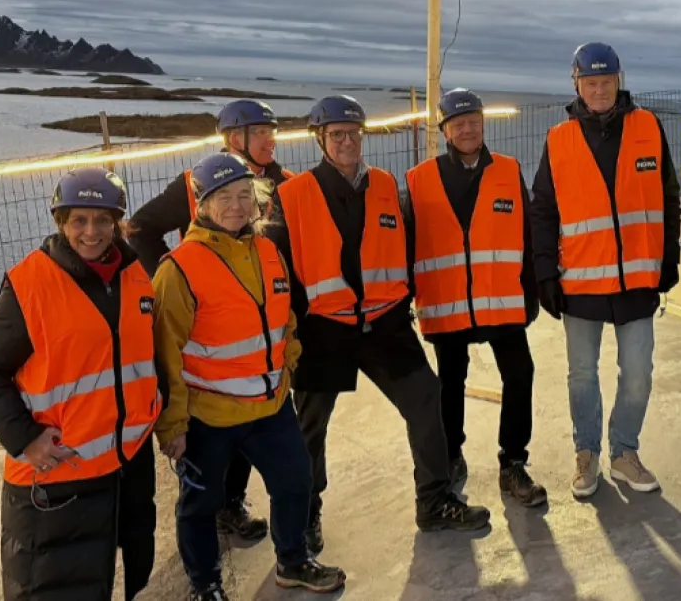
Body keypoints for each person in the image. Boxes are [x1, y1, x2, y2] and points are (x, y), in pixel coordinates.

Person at [267, 94, 490, 549]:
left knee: (426, 397)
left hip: (384, 324)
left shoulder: (387, 186)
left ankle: (433, 500)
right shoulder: (291, 195)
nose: (347, 141)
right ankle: (307, 513)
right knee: (309, 426)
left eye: (353, 133)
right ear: (320, 140)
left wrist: (406, 297)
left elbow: (405, 245)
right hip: (323, 327)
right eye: (337, 135)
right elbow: (278, 268)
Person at [153, 152, 344, 599]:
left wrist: (288, 361)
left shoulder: (267, 250)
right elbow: (166, 356)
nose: (236, 206)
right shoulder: (179, 267)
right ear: (201, 204)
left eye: (244, 195)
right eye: (223, 197)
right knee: (200, 505)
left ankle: (293, 561)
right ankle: (206, 586)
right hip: (208, 417)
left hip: (270, 405)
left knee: (296, 482)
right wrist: (173, 426)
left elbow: (286, 319)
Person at [0, 168, 161, 600]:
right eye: (79, 220)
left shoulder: (136, 276)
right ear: (61, 223)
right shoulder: (31, 284)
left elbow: (144, 360)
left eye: (103, 221)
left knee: (122, 577)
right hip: (58, 475)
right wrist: (26, 439)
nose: (91, 232)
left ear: (117, 223)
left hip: (126, 468)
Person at [126, 98, 293, 542]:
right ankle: (215, 513)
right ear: (234, 138)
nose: (271, 140)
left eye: (272, 132)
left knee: (256, 423)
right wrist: (173, 273)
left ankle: (234, 505)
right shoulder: (192, 183)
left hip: (265, 327)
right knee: (217, 430)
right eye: (261, 132)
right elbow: (139, 228)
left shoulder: (281, 183)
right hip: (211, 328)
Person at [529, 42, 681, 499]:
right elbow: (543, 211)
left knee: (637, 375)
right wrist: (544, 274)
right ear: (576, 84)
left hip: (637, 281)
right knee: (582, 375)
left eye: (607, 81)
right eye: (590, 82)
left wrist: (668, 257)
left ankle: (623, 453)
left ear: (620, 81)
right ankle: (586, 454)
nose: (599, 90)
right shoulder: (558, 140)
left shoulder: (648, 128)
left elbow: (668, 197)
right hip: (580, 283)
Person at [404, 87, 547, 507]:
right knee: (449, 384)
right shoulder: (420, 179)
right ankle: (451, 457)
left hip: (500, 301)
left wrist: (531, 292)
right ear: (446, 130)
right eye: (458, 124)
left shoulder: (508, 169)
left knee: (520, 374)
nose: (467, 130)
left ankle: (513, 463)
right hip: (447, 305)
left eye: (474, 122)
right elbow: (406, 244)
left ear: (484, 125)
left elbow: (526, 232)